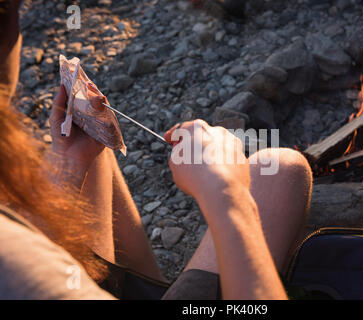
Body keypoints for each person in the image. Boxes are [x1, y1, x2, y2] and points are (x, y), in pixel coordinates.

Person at [0, 0, 312, 299]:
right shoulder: (22, 271)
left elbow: (32, 240)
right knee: (282, 169)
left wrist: (67, 161)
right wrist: (225, 193)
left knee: (93, 154)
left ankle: (155, 288)